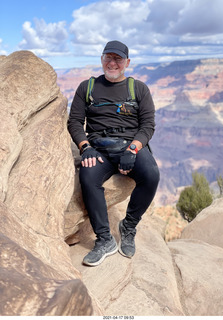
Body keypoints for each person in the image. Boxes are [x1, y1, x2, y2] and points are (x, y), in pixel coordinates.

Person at [67, 40, 160, 266]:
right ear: (101, 59)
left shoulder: (138, 88)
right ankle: (105, 240)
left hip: (130, 146)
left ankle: (128, 227)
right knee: (88, 178)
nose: (112, 63)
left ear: (127, 62)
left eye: (118, 58)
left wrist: (134, 148)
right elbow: (75, 122)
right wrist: (85, 147)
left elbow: (148, 125)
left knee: (151, 176)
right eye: (108, 57)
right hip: (98, 148)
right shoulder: (86, 87)